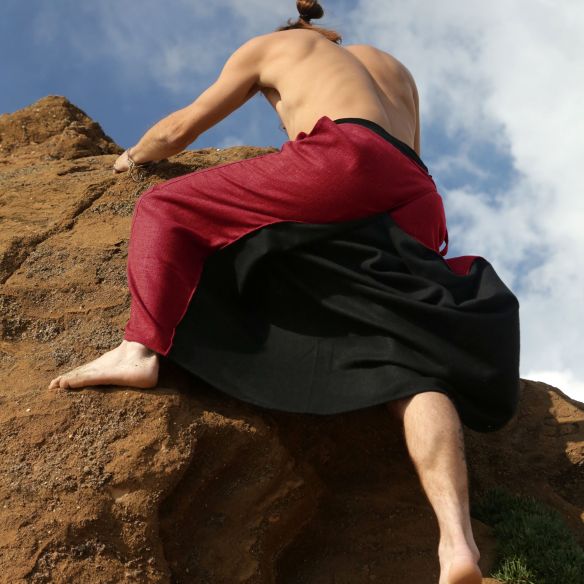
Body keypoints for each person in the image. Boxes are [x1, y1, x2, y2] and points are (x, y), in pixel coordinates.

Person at [48, 2, 521, 583]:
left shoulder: (271, 48)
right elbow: (408, 158)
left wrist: (128, 159)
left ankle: (138, 350)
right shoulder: (393, 68)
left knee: (163, 206)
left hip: (344, 159)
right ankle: (457, 545)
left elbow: (181, 127)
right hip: (415, 193)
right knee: (410, 362)